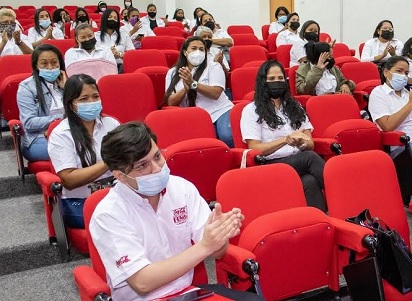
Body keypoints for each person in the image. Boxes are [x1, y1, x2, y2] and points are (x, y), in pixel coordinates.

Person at [93, 122, 263, 301]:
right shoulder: (108, 214)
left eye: (157, 156)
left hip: (188, 293)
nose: (157, 168)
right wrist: (205, 245)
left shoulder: (181, 188)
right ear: (120, 175)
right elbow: (142, 282)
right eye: (143, 165)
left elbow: (217, 253)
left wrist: (219, 236)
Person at [240, 60, 327, 211]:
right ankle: (344, 194)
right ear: (263, 82)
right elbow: (254, 149)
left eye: (280, 78)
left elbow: (310, 144)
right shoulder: (251, 110)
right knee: (310, 157)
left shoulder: (294, 106)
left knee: (309, 181)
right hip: (269, 165)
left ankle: (322, 220)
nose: (277, 82)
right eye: (272, 79)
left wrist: (301, 142)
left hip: (297, 161)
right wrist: (285, 140)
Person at [47, 74, 120, 229]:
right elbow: (70, 180)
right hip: (79, 200)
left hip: (115, 194)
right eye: (84, 99)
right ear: (70, 103)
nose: (91, 102)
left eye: (95, 97)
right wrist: (109, 161)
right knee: (115, 220)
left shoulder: (111, 124)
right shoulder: (62, 133)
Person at [164, 37, 234, 147]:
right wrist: (185, 90)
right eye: (194, 48)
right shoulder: (173, 73)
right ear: (185, 52)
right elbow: (171, 102)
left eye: (201, 49)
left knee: (227, 136)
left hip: (220, 111)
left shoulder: (213, 66)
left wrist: (193, 84)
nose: (198, 52)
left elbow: (216, 93)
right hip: (195, 116)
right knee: (209, 143)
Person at [17, 44, 67, 162]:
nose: (50, 67)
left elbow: (79, 113)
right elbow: (29, 122)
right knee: (69, 149)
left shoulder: (66, 83)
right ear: (36, 66)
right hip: (38, 137)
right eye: (44, 63)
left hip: (69, 132)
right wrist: (62, 119)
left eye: (54, 62)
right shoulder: (26, 87)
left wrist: (67, 89)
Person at [96, 8, 134, 73]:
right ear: (104, 19)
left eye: (115, 18)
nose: (113, 19)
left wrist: (120, 55)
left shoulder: (123, 35)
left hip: (120, 66)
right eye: (110, 17)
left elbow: (132, 54)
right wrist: (108, 54)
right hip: (102, 67)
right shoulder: (96, 36)